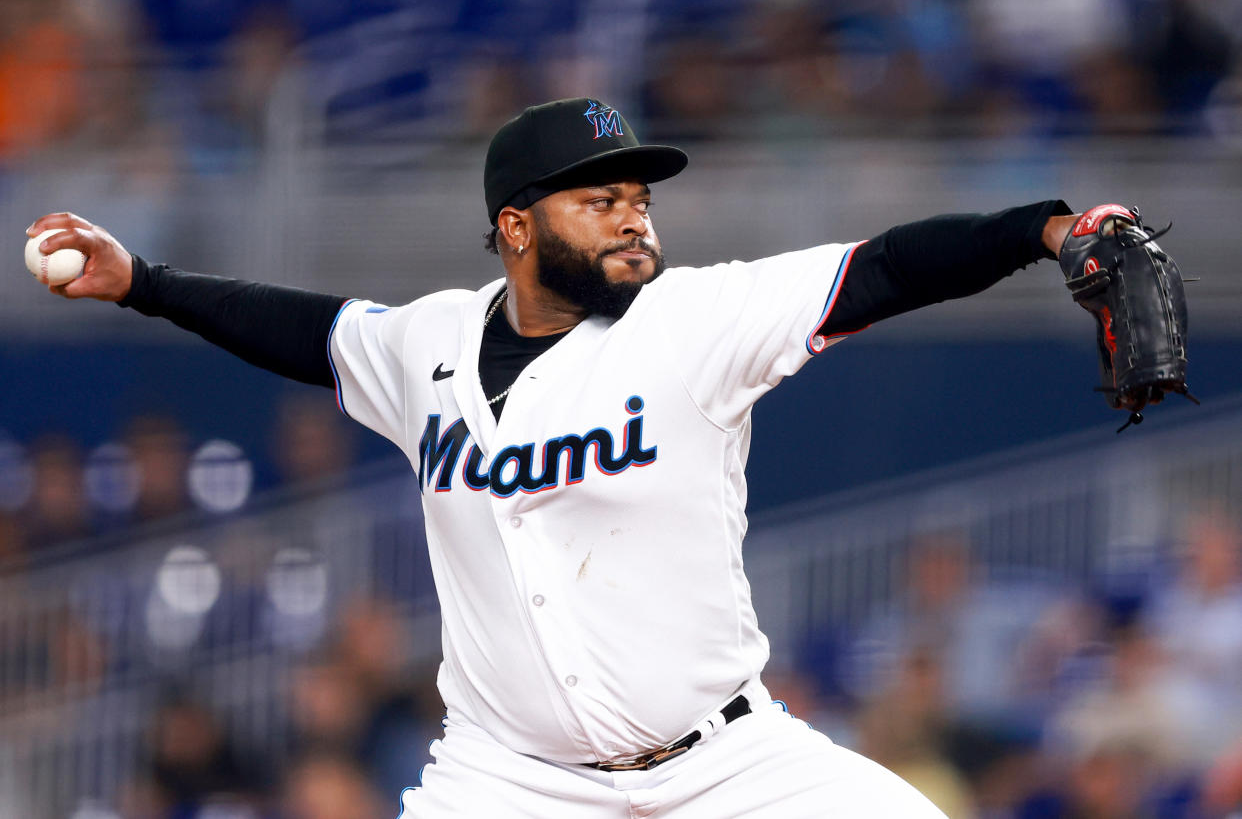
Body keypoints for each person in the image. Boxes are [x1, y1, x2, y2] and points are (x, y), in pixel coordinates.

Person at [28, 97, 1082, 817]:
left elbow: (889, 266)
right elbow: (314, 332)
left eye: (640, 198)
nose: (634, 219)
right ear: (518, 228)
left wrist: (1046, 230)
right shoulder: (426, 342)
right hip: (510, 780)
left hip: (727, 764)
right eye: (602, 199)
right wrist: (143, 283)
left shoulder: (694, 319)